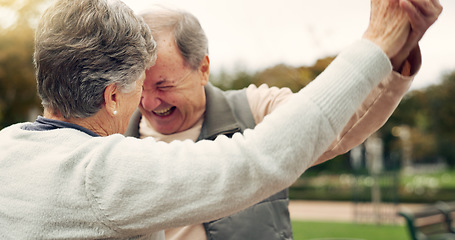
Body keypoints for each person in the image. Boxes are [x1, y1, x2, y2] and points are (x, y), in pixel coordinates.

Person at [0, 0, 441, 239]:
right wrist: (375, 43)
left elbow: (321, 128)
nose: (149, 101)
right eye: (139, 85)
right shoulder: (103, 170)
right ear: (112, 95)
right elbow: (258, 160)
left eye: (165, 84)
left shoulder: (9, 147)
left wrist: (392, 57)